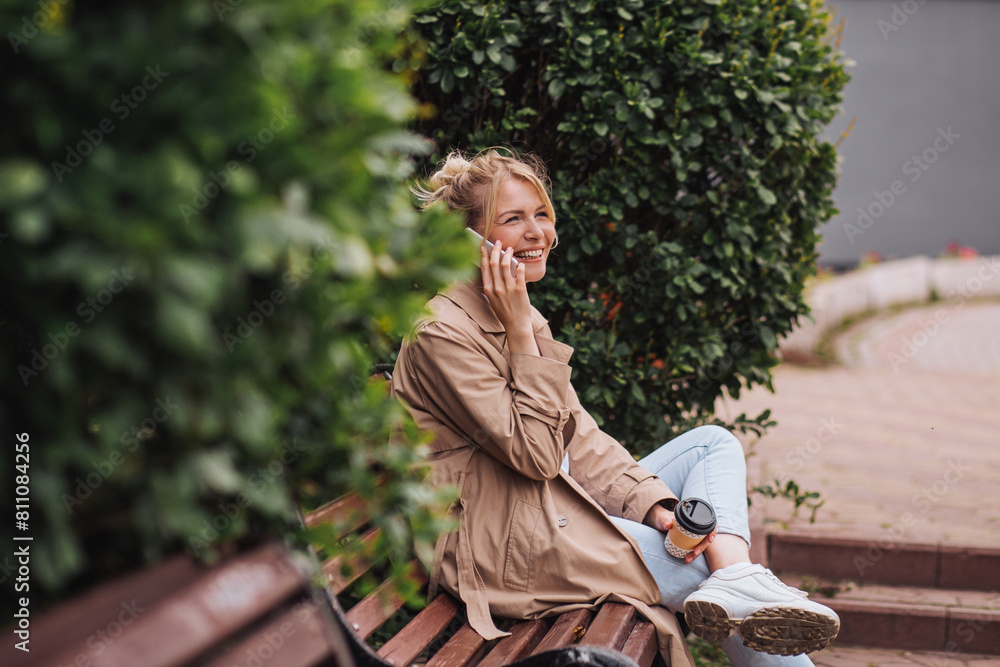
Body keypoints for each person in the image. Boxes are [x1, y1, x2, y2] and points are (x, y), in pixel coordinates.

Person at [391, 149, 839, 667]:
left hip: (547, 510)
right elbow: (537, 456)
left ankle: (736, 572)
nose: (538, 232)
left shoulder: (515, 314)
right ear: (466, 241)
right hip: (500, 550)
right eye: (513, 219)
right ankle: (732, 579)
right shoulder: (444, 333)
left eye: (541, 214)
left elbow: (577, 437)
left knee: (713, 445)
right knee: (706, 581)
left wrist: (654, 507)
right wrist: (519, 330)